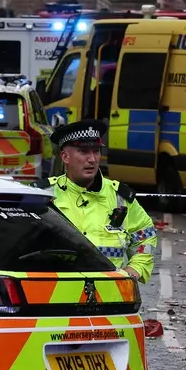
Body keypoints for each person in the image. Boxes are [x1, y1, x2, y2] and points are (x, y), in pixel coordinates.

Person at [48, 121, 155, 283]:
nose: (92, 159)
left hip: (109, 294)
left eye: (96, 151)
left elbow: (145, 237)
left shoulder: (120, 197)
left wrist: (134, 270)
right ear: (65, 157)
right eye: (83, 152)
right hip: (55, 293)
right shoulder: (44, 195)